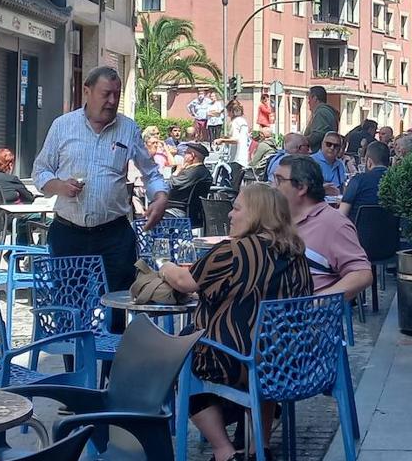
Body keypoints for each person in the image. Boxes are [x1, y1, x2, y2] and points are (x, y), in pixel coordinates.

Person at [160, 184, 312, 461]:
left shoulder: (233, 252)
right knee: (263, 347)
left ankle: (223, 451)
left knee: (180, 352)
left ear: (256, 214)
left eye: (237, 208)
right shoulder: (297, 253)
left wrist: (164, 266)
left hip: (238, 361)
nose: (230, 214)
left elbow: (185, 282)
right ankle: (258, 448)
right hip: (288, 361)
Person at [33, 66, 169, 292]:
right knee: (70, 306)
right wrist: (59, 186)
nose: (112, 101)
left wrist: (161, 197)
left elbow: (151, 172)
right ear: (87, 91)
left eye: (117, 94)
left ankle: (116, 330)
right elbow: (40, 171)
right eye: (106, 94)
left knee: (119, 305)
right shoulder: (63, 126)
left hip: (114, 235)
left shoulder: (128, 128)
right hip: (69, 233)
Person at [271, 155, 373, 298]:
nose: (273, 186)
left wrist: (317, 303)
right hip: (268, 311)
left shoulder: (333, 224)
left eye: (279, 180)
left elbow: (361, 274)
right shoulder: (276, 218)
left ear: (301, 187)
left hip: (304, 315)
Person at [0, 147, 43, 244]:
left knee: (25, 222)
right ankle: (38, 254)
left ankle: (18, 252)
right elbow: (29, 198)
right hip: (12, 220)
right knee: (50, 224)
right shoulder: (11, 179)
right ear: (9, 165)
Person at [340, 140, 389, 223]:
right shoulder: (399, 182)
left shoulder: (358, 180)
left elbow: (341, 215)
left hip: (357, 234)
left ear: (369, 162)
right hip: (391, 234)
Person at [167, 142, 213, 227]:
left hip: (179, 211)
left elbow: (169, 186)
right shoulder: (202, 172)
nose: (183, 156)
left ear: (192, 156)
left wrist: (177, 171)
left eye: (185, 153)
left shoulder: (194, 172)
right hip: (192, 212)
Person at [303, 86, 339, 151]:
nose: (308, 102)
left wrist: (302, 140)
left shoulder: (321, 112)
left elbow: (317, 135)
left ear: (315, 98)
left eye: (309, 99)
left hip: (319, 153)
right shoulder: (326, 112)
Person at [217, 99, 251, 167]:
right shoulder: (243, 121)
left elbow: (236, 140)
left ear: (232, 112)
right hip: (243, 157)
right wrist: (227, 138)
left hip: (236, 158)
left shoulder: (235, 122)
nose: (228, 114)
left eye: (228, 112)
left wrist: (222, 140)